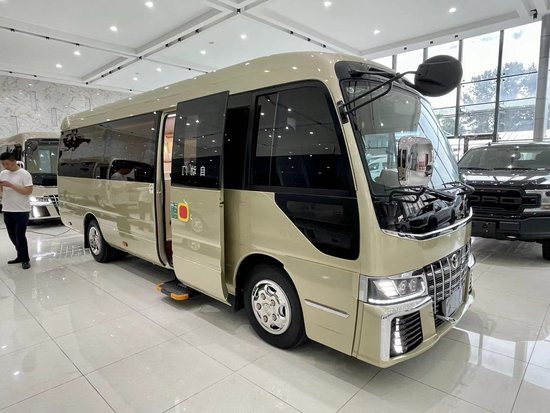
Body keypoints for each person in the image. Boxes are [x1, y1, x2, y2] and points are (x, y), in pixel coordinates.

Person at [0, 152, 33, 269]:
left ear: (14, 161)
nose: (5, 166)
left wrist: (11, 185)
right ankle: (20, 255)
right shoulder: (3, 173)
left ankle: (25, 259)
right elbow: (2, 190)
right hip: (7, 209)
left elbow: (28, 191)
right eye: (3, 164)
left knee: (20, 235)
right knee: (12, 235)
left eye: (7, 163)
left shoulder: (24, 174)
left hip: (21, 210)